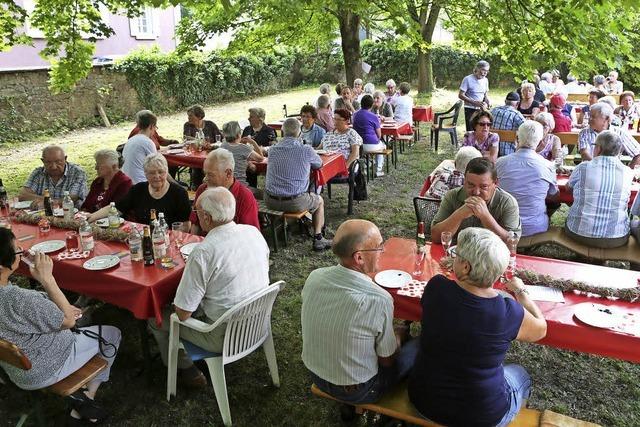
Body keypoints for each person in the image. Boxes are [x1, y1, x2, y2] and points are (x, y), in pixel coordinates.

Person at [408, 227, 547, 427]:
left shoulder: (436, 287)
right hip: (481, 417)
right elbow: (541, 329)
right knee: (520, 374)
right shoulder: (507, 311)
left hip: (424, 402)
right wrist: (521, 291)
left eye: (457, 255)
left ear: (465, 267)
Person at [148, 187, 269, 387]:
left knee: (156, 318)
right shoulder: (253, 232)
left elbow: (183, 313)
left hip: (225, 335)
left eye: (196, 212)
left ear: (206, 217)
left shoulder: (203, 252)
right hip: (257, 320)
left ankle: (184, 369)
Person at [0, 228, 121, 424]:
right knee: (113, 334)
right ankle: (86, 400)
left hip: (14, 370)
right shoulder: (19, 300)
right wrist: (48, 279)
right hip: (42, 369)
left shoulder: (15, 297)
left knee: (79, 317)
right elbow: (68, 322)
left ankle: (82, 398)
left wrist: (53, 304)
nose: (22, 252)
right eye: (17, 251)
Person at [302, 219, 418, 405]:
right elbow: (387, 360)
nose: (382, 251)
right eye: (379, 247)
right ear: (359, 258)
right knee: (421, 345)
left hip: (315, 374)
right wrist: (398, 335)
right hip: (360, 389)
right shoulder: (378, 298)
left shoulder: (314, 277)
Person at [264, 118, 332, 251]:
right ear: (300, 132)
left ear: (282, 131)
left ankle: (290, 224)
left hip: (270, 201)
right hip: (295, 202)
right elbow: (319, 164)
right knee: (319, 200)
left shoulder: (272, 150)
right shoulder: (306, 149)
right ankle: (318, 238)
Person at [567, 131, 633, 248]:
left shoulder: (583, 167)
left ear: (598, 149)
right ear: (618, 151)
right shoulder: (628, 172)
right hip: (617, 237)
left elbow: (568, 188)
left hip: (579, 233)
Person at [431, 157, 521, 243]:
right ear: (464, 181)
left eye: (483, 187)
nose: (476, 192)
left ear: (496, 183)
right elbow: (435, 237)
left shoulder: (507, 202)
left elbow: (512, 243)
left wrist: (486, 217)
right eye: (471, 185)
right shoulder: (452, 196)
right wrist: (459, 214)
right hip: (457, 254)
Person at [87, 153, 191, 227]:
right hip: (142, 238)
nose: (157, 176)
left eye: (161, 172)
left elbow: (185, 225)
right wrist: (91, 217)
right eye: (152, 173)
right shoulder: (138, 190)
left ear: (167, 172)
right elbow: (116, 208)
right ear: (145, 173)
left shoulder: (179, 193)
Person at [496, 121, 559, 237]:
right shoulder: (548, 166)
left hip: (503, 226)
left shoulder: (500, 163)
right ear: (541, 143)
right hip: (535, 227)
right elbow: (554, 195)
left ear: (516, 138)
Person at [189, 149, 259, 235]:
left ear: (228, 174)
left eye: (210, 175)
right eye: (205, 173)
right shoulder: (203, 190)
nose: (205, 179)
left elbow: (251, 235)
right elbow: (195, 223)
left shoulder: (245, 197)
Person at [19, 145, 88, 208]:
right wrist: (48, 201)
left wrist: (46, 202)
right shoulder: (38, 173)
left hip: (70, 215)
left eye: (58, 162)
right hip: (42, 216)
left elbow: (73, 198)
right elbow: (23, 195)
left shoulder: (77, 172)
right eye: (48, 162)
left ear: (65, 159)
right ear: (43, 161)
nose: (54, 167)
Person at [578, 103, 640, 167]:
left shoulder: (619, 133)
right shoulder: (584, 133)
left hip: (614, 171)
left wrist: (629, 171)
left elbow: (638, 153)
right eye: (589, 116)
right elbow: (584, 154)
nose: (589, 119)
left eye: (593, 117)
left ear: (606, 119)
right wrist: (597, 168)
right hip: (591, 170)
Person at [221, 121, 264, 186]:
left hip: (225, 185)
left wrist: (248, 162)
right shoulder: (244, 148)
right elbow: (261, 158)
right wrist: (253, 143)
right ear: (239, 134)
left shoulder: (223, 145)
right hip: (240, 186)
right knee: (261, 193)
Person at [353, 96, 386, 177]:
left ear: (361, 103)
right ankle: (379, 169)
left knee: (365, 152)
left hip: (358, 144)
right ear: (371, 105)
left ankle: (365, 166)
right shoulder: (374, 116)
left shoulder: (355, 115)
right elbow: (379, 135)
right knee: (383, 146)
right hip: (371, 143)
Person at [122, 110, 158, 185]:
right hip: (140, 184)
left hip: (126, 182)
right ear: (151, 126)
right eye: (155, 127)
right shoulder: (147, 142)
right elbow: (158, 167)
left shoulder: (131, 140)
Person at [491, 92, 526, 157]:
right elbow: (527, 128)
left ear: (505, 101)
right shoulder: (516, 114)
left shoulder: (493, 110)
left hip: (491, 150)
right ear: (518, 103)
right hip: (508, 153)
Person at [459, 60, 491, 131]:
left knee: (481, 130)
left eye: (487, 71)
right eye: (483, 70)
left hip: (482, 109)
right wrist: (474, 102)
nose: (485, 73)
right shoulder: (467, 79)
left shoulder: (485, 80)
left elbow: (485, 94)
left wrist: (488, 101)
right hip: (470, 109)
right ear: (477, 69)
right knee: (471, 131)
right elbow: (461, 95)